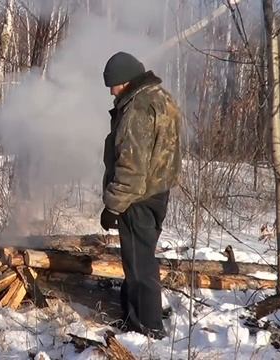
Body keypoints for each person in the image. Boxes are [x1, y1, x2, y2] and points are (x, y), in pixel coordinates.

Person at [100, 51, 181, 339]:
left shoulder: (137, 108)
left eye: (115, 84)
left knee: (139, 264)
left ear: (127, 80)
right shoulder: (163, 98)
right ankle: (136, 317)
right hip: (158, 191)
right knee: (140, 259)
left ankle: (146, 329)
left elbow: (131, 167)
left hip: (138, 198)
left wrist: (114, 205)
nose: (112, 91)